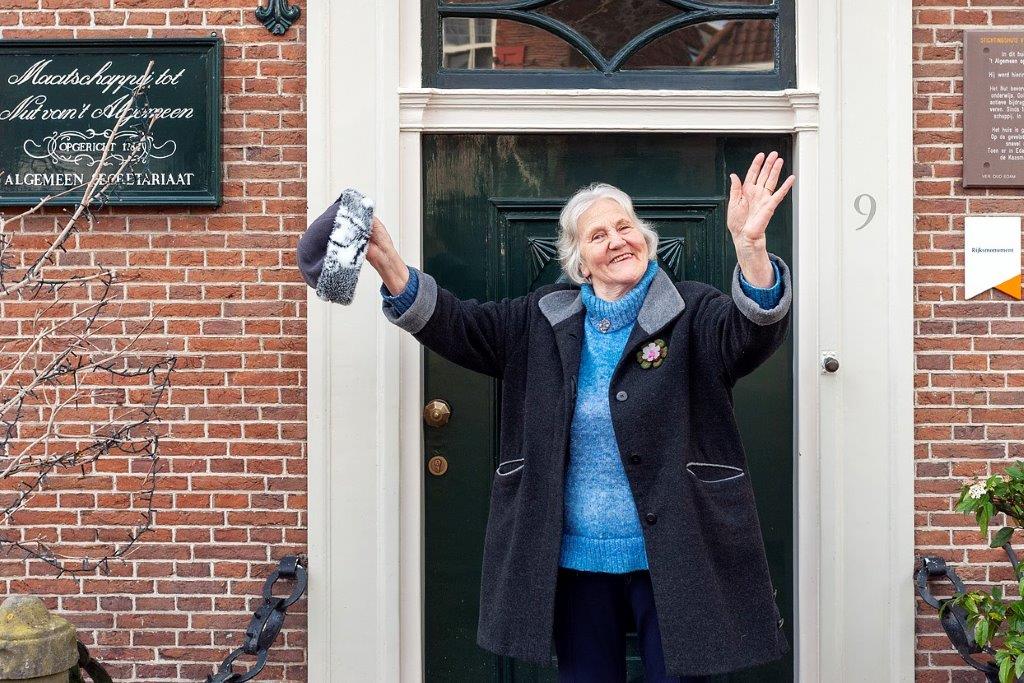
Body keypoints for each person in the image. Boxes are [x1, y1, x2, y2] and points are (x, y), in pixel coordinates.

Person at [298, 152, 796, 681]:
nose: (617, 241)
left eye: (625, 227)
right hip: (575, 561)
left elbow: (751, 334)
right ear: (580, 263)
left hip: (680, 550)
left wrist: (751, 250)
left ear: (646, 241)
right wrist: (389, 264)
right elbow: (458, 326)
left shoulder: (694, 312)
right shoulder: (539, 318)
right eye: (598, 235)